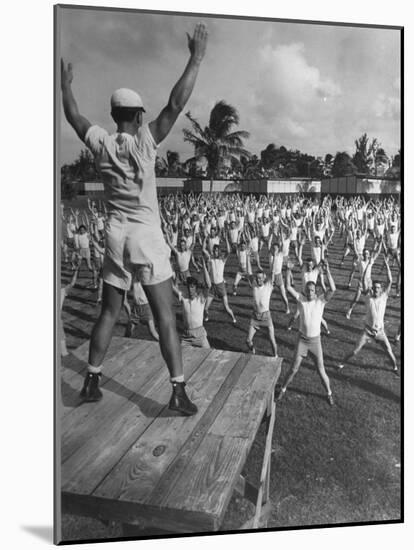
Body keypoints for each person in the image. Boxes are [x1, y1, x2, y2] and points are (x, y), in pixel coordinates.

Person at [61, 22, 208, 415]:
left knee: (109, 310)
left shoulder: (102, 144)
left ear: (113, 115)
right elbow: (176, 105)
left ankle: (92, 378)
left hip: (114, 235)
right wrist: (195, 58)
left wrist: (66, 87)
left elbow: (75, 118)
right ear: (140, 117)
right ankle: (177, 391)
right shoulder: (145, 142)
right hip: (146, 236)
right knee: (164, 316)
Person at [276, 260, 336, 406]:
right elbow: (288, 286)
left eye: (312, 290)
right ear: (305, 290)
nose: (310, 293)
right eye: (308, 290)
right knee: (293, 369)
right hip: (302, 341)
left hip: (315, 342)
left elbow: (333, 289)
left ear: (316, 292)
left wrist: (327, 271)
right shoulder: (301, 300)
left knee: (321, 371)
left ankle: (329, 393)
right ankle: (282, 390)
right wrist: (288, 270)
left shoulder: (321, 301)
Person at [338, 255, 398, 375]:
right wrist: (367, 268)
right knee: (355, 351)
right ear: (372, 289)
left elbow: (390, 281)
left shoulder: (384, 297)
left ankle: (395, 368)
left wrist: (386, 265)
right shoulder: (367, 297)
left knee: (389, 352)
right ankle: (341, 363)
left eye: (378, 288)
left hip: (380, 332)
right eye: (374, 288)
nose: (376, 290)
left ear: (381, 290)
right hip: (368, 331)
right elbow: (365, 278)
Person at [172, 261, 211, 348]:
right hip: (186, 337)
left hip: (200, 336)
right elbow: (172, 287)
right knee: (181, 358)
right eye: (189, 287)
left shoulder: (201, 299)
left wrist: (204, 267)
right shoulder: (183, 298)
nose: (190, 289)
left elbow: (208, 285)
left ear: (196, 288)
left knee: (209, 356)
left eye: (192, 287)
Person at [245, 257, 278, 358]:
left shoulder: (268, 286)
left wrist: (275, 255)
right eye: (257, 278)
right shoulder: (254, 285)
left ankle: (275, 355)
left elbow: (272, 271)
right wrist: (247, 256)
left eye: (261, 278)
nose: (259, 280)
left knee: (272, 339)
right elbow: (248, 271)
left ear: (264, 278)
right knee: (248, 340)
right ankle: (252, 350)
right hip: (255, 316)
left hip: (266, 316)